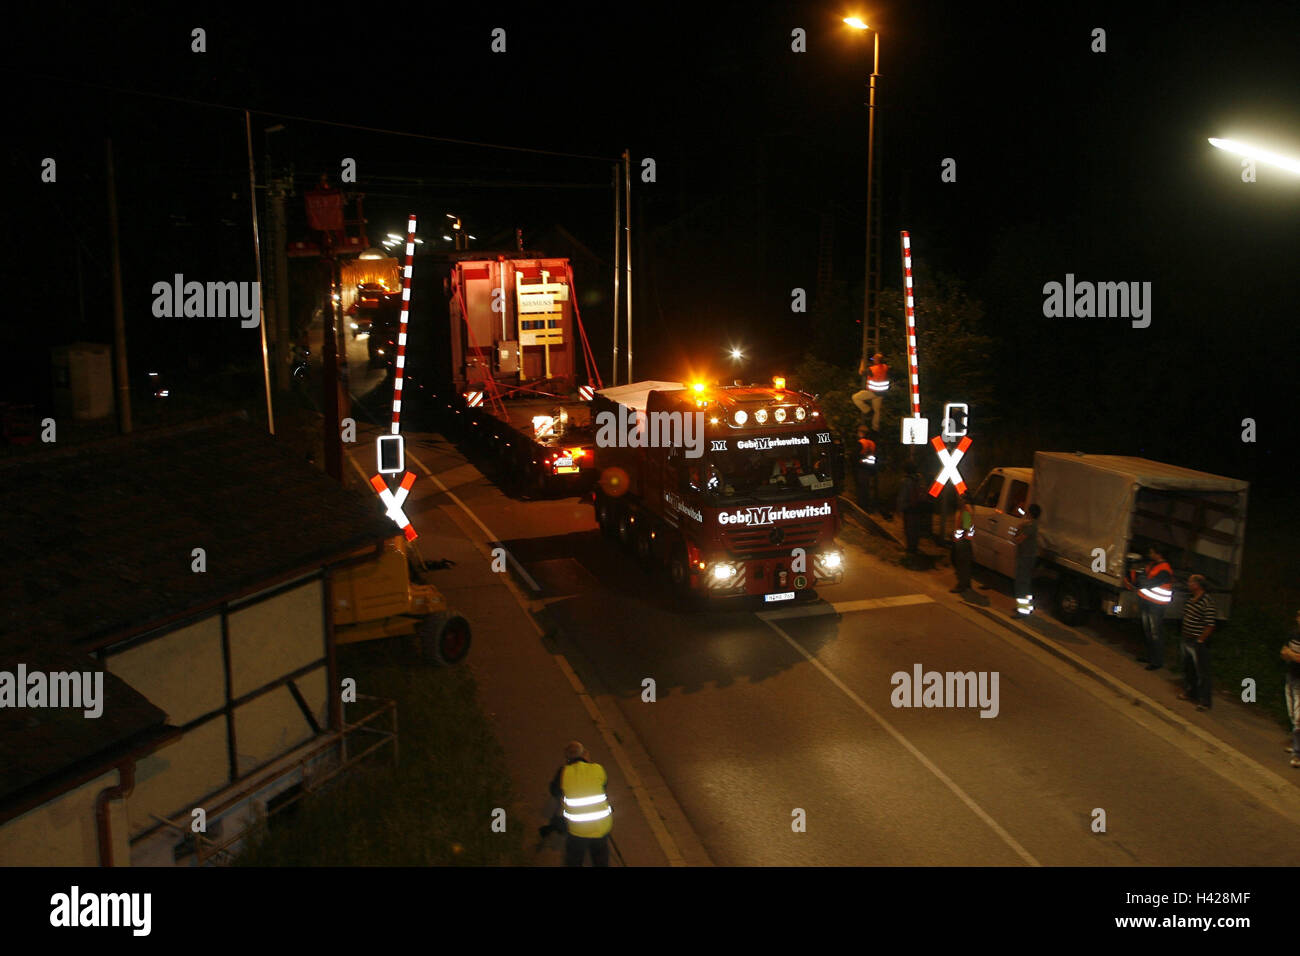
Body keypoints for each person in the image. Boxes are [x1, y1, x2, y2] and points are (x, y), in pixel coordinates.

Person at [548, 740, 612, 866]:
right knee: (600, 858)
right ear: (585, 754)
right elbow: (604, 787)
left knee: (574, 858)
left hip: (577, 830)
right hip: (602, 826)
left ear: (567, 759)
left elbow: (554, 791)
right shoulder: (598, 769)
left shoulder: (564, 772)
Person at [1124, 544, 1174, 670]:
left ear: (1158, 554)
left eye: (1152, 552)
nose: (1150, 554)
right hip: (1146, 602)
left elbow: (1147, 582)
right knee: (1148, 631)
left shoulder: (1165, 569)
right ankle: (1149, 657)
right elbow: (1142, 578)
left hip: (1156, 605)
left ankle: (1157, 662)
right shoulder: (1152, 564)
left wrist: (1141, 581)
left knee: (1155, 633)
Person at [1176, 574, 1217, 711]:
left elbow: (1210, 624)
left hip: (1197, 641)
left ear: (1197, 585)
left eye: (1191, 582)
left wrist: (1200, 640)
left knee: (1202, 672)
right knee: (1189, 668)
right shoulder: (1191, 599)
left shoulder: (1206, 601)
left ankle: (1205, 701)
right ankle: (1191, 692)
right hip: (1186, 638)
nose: (1188, 584)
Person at [1008, 504, 1040, 617]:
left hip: (1025, 558)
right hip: (1027, 557)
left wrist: (1016, 530)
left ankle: (1023, 611)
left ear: (1030, 513)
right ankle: (1024, 608)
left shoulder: (1030, 526)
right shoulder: (1032, 525)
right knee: (1024, 584)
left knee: (1022, 584)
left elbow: (1018, 539)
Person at [897, 459, 929, 555]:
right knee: (916, 529)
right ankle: (915, 548)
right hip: (919, 507)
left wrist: (900, 509)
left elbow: (902, 496)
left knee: (909, 529)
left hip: (909, 508)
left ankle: (910, 550)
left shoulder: (905, 481)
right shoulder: (920, 479)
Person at [851, 353, 890, 431]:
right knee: (877, 412)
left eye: (873, 359)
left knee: (855, 397)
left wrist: (862, 362)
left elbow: (861, 372)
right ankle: (875, 428)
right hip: (881, 393)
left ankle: (868, 410)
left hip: (873, 392)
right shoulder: (886, 367)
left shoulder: (872, 369)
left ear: (876, 360)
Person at [1282, 610, 1300, 769]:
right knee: (1292, 714)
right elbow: (1283, 652)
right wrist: (1289, 653)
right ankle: (1295, 741)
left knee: (1298, 718)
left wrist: (1291, 654)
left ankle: (1297, 754)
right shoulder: (1293, 634)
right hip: (1290, 677)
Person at [950, 491, 974, 594]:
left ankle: (962, 585)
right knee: (963, 564)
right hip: (962, 541)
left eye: (960, 498)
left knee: (961, 564)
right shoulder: (963, 509)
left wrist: (958, 538)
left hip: (962, 542)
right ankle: (965, 584)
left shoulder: (966, 510)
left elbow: (966, 527)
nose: (958, 500)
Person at [854, 426, 879, 513]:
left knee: (862, 490)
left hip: (861, 469)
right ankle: (870, 507)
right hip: (871, 470)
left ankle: (862, 508)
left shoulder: (860, 443)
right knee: (869, 490)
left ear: (861, 433)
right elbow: (876, 457)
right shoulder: (872, 443)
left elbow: (854, 457)